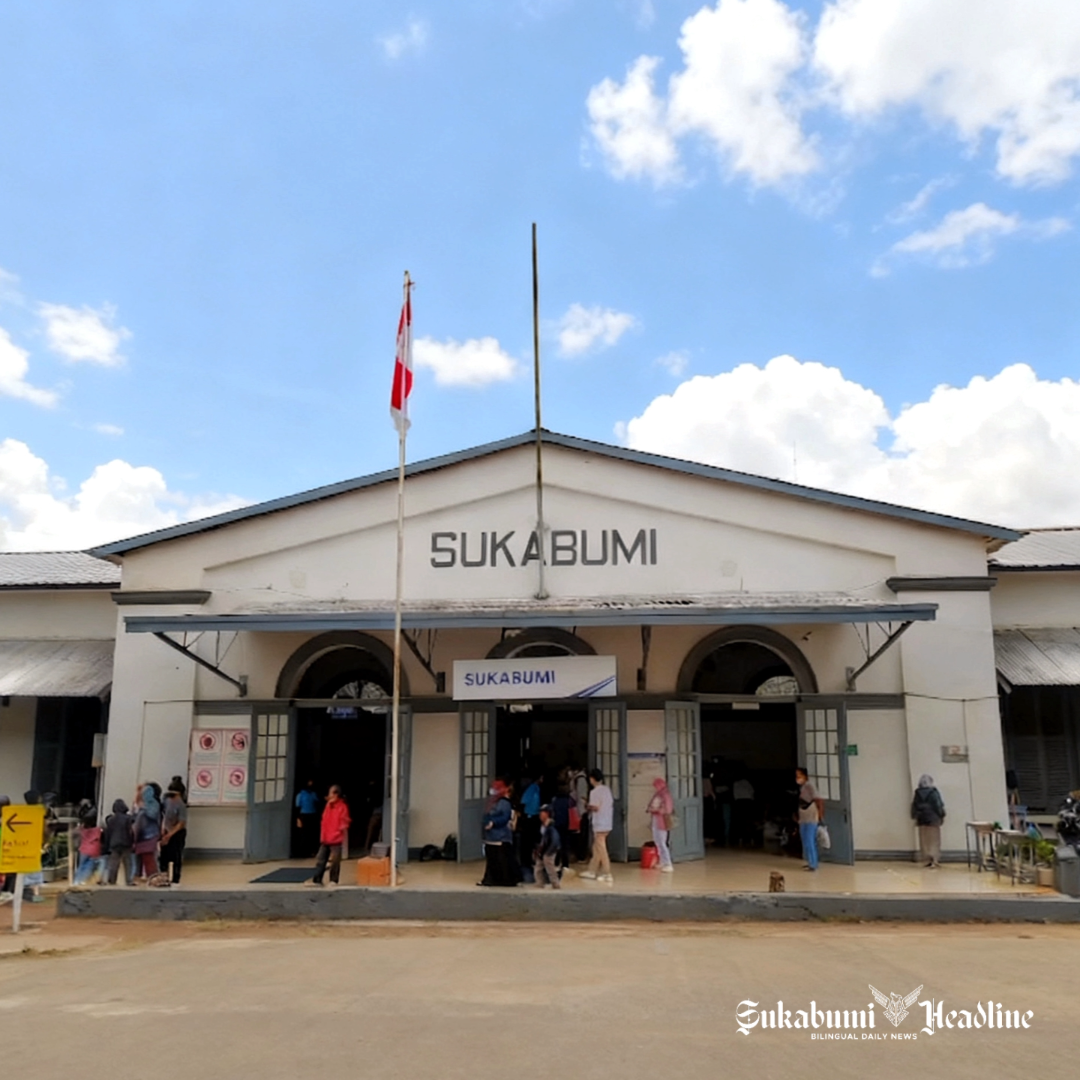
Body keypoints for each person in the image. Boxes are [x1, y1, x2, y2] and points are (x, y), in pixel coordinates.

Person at [308, 785, 351, 886]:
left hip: (335, 838)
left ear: (336, 794)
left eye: (331, 793)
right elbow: (324, 820)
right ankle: (317, 880)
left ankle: (333, 880)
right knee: (321, 859)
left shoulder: (342, 807)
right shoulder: (328, 806)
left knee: (335, 861)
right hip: (326, 837)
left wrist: (338, 831)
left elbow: (344, 822)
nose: (329, 795)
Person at [478, 779, 516, 887]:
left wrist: (493, 823)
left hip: (500, 836)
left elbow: (505, 817)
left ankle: (503, 880)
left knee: (500, 859)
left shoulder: (504, 803)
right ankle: (491, 879)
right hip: (491, 836)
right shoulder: (491, 802)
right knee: (491, 858)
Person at [580, 768, 614, 883]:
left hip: (599, 823)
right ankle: (592, 870)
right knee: (596, 848)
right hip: (607, 822)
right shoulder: (607, 790)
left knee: (601, 849)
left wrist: (586, 805)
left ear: (592, 779)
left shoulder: (594, 792)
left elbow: (595, 807)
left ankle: (607, 873)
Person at [911, 774, 946, 869]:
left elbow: (914, 806)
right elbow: (938, 805)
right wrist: (942, 815)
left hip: (922, 818)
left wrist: (914, 817)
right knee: (934, 840)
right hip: (933, 818)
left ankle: (926, 859)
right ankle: (935, 860)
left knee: (924, 840)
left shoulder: (917, 793)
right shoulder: (933, 792)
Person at [159, 781, 188, 884]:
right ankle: (164, 878)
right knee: (163, 857)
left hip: (177, 833)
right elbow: (164, 815)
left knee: (176, 857)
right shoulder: (166, 801)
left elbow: (181, 823)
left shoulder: (181, 804)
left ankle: (176, 879)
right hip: (166, 831)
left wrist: (170, 835)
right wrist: (163, 829)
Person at [795, 767, 823, 871]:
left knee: (810, 840)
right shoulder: (802, 787)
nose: (798, 778)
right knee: (805, 839)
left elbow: (819, 800)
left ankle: (813, 864)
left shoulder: (810, 786)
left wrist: (820, 814)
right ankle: (810, 862)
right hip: (804, 816)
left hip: (811, 815)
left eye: (799, 775)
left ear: (805, 776)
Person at [133, 782, 162, 882]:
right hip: (140, 835)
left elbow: (152, 815)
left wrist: (143, 808)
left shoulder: (154, 803)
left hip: (150, 835)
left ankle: (153, 877)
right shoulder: (141, 803)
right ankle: (139, 876)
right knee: (140, 858)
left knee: (148, 857)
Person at [103, 798, 135, 885]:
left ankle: (112, 880)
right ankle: (129, 880)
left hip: (114, 844)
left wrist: (106, 847)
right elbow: (132, 831)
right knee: (128, 863)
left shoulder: (110, 820)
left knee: (113, 863)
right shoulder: (128, 818)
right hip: (126, 843)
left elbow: (108, 834)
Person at [647, 776, 675, 872]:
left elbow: (667, 809)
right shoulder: (658, 794)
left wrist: (657, 810)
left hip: (662, 821)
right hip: (656, 819)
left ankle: (668, 863)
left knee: (662, 842)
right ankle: (662, 861)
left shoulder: (665, 795)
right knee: (657, 842)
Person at [73, 803, 105, 886]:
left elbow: (76, 832)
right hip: (94, 850)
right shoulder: (97, 831)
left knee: (81, 866)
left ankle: (76, 881)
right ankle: (84, 880)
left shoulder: (82, 830)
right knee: (88, 867)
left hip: (83, 850)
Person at [533, 804, 561, 889]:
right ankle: (540, 883)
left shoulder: (551, 827)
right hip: (543, 849)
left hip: (549, 850)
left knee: (550, 867)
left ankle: (555, 883)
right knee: (538, 867)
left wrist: (550, 851)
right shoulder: (543, 826)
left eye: (543, 813)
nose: (541, 815)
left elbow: (555, 840)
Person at [295, 780, 321, 856]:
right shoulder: (300, 795)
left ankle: (312, 851)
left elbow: (317, 802)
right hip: (304, 815)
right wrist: (298, 818)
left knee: (312, 834)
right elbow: (297, 807)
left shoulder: (313, 794)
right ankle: (303, 851)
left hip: (313, 815)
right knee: (303, 834)